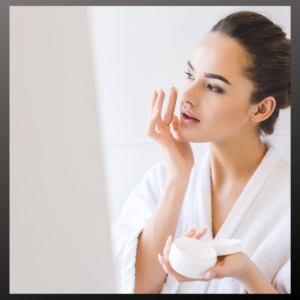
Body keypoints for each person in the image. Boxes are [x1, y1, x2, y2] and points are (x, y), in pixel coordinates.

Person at [111, 11, 291, 294]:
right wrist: (178, 177)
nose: (188, 96)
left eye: (213, 86)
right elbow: (134, 287)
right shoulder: (161, 181)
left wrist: (245, 271)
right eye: (189, 75)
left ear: (261, 109)